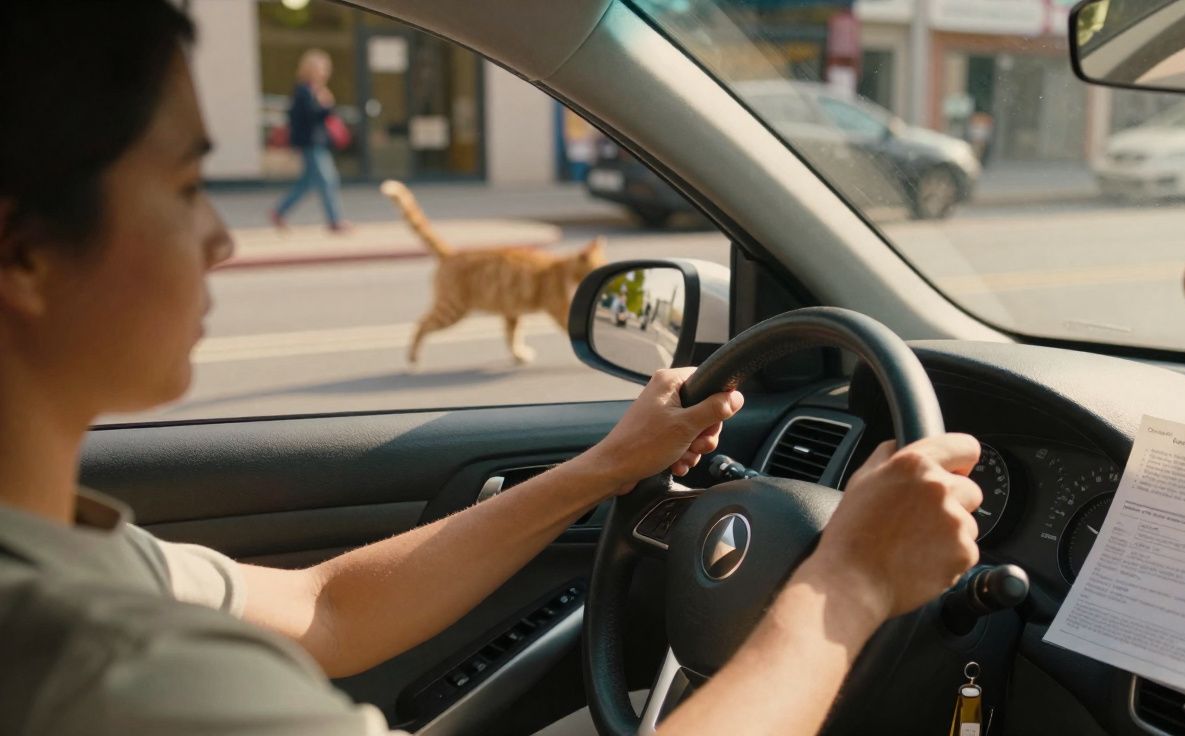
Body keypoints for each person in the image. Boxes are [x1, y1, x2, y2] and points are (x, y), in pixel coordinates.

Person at [0, 2, 982, 734]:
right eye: (183, 187)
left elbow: (323, 607)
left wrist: (604, 467)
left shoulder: (82, 566)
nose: (221, 240)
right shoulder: (113, 671)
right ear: (26, 255)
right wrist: (845, 583)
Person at [271, 49, 351, 232]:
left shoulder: (314, 90)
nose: (323, 72)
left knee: (307, 184)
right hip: (310, 143)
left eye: (324, 68)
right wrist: (327, 105)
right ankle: (335, 221)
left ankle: (279, 212)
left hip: (317, 143)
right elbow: (309, 116)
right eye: (319, 68)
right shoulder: (303, 91)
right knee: (328, 181)